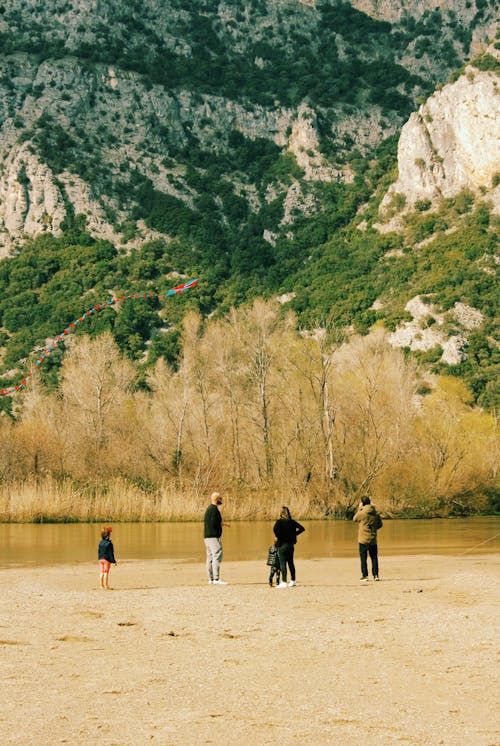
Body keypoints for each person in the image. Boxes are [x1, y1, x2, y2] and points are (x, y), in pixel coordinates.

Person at [273, 506, 305, 588]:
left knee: (283, 563)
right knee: (291, 563)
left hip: (282, 545)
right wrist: (294, 534)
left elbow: (275, 531)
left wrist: (280, 536)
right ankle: (293, 581)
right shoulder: (292, 522)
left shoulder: (279, 522)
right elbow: (302, 528)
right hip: (291, 545)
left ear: (281, 514)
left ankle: (284, 582)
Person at [353, 496, 383, 582]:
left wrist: (359, 509)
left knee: (363, 558)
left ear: (362, 503)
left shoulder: (362, 513)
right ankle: (376, 575)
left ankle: (365, 576)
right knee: (374, 557)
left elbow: (354, 519)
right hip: (373, 539)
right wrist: (374, 528)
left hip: (363, 539)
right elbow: (380, 525)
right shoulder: (376, 514)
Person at [204, 491, 229, 585]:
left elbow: (211, 522)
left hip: (207, 537)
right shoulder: (214, 509)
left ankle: (211, 579)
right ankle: (216, 579)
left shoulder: (208, 509)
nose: (221, 501)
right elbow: (214, 522)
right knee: (217, 555)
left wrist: (223, 524)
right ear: (216, 499)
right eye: (220, 499)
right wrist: (219, 527)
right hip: (213, 537)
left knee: (210, 557)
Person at [98, 526, 117, 590]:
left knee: (101, 572)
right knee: (106, 572)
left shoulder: (100, 542)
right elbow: (111, 553)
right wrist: (113, 561)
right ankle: (106, 586)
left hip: (100, 559)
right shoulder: (109, 543)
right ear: (108, 535)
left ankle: (101, 586)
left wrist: (99, 558)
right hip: (106, 560)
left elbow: (99, 551)